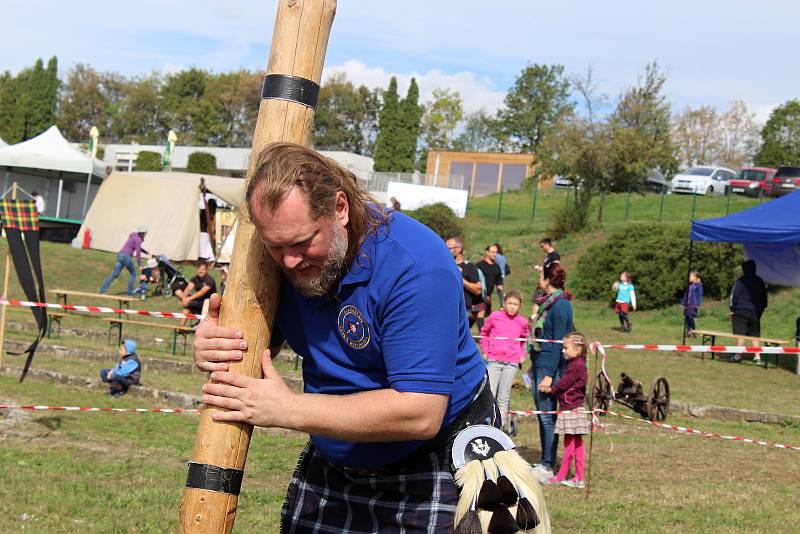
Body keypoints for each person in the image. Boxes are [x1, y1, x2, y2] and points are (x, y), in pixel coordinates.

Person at [193, 143, 494, 532]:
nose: (288, 261)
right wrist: (216, 342)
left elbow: (420, 412)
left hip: (435, 459)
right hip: (338, 461)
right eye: (275, 245)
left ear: (340, 208)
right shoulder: (276, 263)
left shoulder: (416, 266)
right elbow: (251, 348)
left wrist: (289, 410)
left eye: (302, 242)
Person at [530, 263, 574, 482]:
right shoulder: (549, 303)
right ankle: (544, 461)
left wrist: (549, 374)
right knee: (542, 416)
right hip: (540, 362)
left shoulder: (561, 305)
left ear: (547, 279)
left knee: (548, 418)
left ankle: (548, 466)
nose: (539, 279)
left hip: (550, 366)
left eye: (541, 275)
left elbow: (559, 342)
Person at [542, 332, 590, 489]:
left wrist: (551, 389)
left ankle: (562, 476)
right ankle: (579, 478)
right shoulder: (579, 364)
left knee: (569, 445)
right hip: (575, 408)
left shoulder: (576, 366)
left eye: (566, 348)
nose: (563, 351)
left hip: (571, 409)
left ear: (577, 350)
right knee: (577, 444)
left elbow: (564, 383)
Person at [479, 290, 529, 431]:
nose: (512, 306)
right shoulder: (495, 317)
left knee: (504, 396)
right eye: (510, 303)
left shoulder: (522, 322)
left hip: (511, 363)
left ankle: (498, 428)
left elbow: (524, 340)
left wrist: (522, 354)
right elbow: (484, 333)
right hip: (494, 360)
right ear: (504, 303)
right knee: (490, 393)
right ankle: (485, 424)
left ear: (520, 306)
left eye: (516, 304)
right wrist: (486, 351)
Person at [730, 260, 768, 362]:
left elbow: (734, 295)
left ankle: (738, 355)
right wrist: (761, 309)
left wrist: (732, 309)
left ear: (744, 269)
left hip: (740, 310)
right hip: (755, 311)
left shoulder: (740, 281)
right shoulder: (759, 281)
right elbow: (764, 297)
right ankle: (757, 356)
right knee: (755, 333)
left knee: (740, 334)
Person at [446, 236, 483, 328]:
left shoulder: (469, 267)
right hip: (445, 308)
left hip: (463, 310)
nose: (445, 250)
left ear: (458, 249)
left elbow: (478, 290)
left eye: (448, 248)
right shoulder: (445, 266)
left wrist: (460, 278)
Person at [99, 225, 148, 296]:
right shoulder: (138, 239)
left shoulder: (134, 237)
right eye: (145, 233)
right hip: (126, 256)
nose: (145, 235)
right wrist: (140, 265)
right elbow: (138, 253)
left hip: (120, 255)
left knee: (114, 274)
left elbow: (138, 247)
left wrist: (146, 252)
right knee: (133, 274)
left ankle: (102, 291)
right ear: (143, 233)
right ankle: (130, 294)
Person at [180, 261, 217, 326]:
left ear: (206, 270)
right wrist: (184, 298)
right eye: (199, 269)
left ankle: (200, 326)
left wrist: (189, 299)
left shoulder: (209, 280)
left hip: (209, 304)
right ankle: (181, 329)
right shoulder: (195, 278)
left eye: (203, 269)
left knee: (189, 304)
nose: (201, 271)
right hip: (199, 302)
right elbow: (188, 288)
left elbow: (201, 292)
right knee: (186, 309)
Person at [476, 244, 503, 329]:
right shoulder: (479, 265)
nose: (494, 254)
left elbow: (499, 284)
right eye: (492, 252)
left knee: (486, 313)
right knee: (481, 311)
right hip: (479, 295)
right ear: (487, 252)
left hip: (488, 296)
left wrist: (502, 303)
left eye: (496, 252)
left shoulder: (496, 267)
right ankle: (482, 336)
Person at [682, 271, 703, 336]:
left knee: (690, 316)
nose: (689, 278)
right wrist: (683, 302)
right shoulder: (690, 285)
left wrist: (698, 304)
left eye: (691, 276)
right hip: (687, 304)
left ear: (695, 277)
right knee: (687, 317)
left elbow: (699, 294)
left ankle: (693, 330)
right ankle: (688, 331)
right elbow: (686, 294)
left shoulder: (698, 285)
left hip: (693, 304)